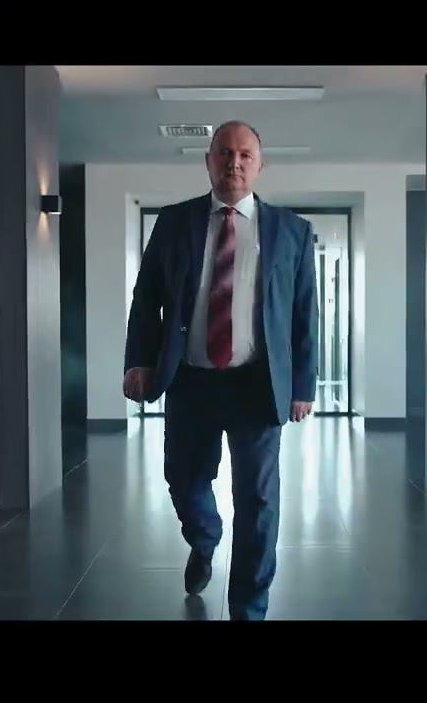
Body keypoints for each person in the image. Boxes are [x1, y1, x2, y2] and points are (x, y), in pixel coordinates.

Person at [122, 120, 319, 621]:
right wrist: (140, 360)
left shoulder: (292, 232)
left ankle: (248, 608)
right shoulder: (174, 222)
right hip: (191, 379)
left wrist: (302, 385)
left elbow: (304, 314)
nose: (234, 163)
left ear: (260, 165)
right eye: (224, 153)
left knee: (259, 502)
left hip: (257, 383)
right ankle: (205, 536)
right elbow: (146, 297)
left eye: (245, 154)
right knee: (184, 481)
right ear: (208, 161)